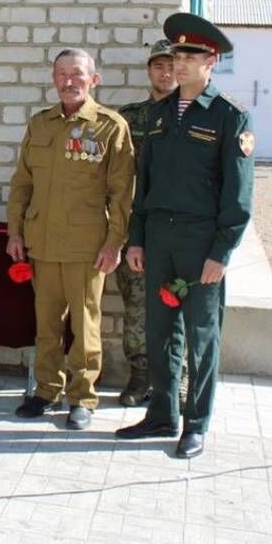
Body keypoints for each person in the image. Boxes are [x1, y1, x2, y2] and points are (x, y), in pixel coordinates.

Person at [116, 13, 255, 459]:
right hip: (158, 238)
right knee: (159, 332)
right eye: (176, 54)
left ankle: (195, 423)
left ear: (211, 61)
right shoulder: (158, 114)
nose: (178, 63)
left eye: (189, 55)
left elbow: (239, 196)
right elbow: (145, 183)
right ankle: (161, 413)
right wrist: (136, 238)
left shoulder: (229, 116)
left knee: (201, 335)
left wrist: (222, 252)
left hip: (200, 244)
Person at [6, 49, 134, 429]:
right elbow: (22, 182)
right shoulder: (40, 123)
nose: (68, 81)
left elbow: (122, 192)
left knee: (85, 323)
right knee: (46, 323)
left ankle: (83, 397)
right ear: (52, 78)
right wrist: (15, 231)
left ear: (93, 80)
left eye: (77, 74)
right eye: (61, 74)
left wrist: (115, 242)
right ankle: (46, 390)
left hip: (87, 247)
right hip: (42, 242)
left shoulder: (110, 127)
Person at [113, 39, 183, 407]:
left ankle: (176, 380)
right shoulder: (129, 118)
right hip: (135, 230)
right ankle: (140, 378)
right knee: (137, 307)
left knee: (179, 304)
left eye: (172, 65)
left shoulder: (194, 116)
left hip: (177, 231)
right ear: (149, 71)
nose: (166, 72)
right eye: (158, 66)